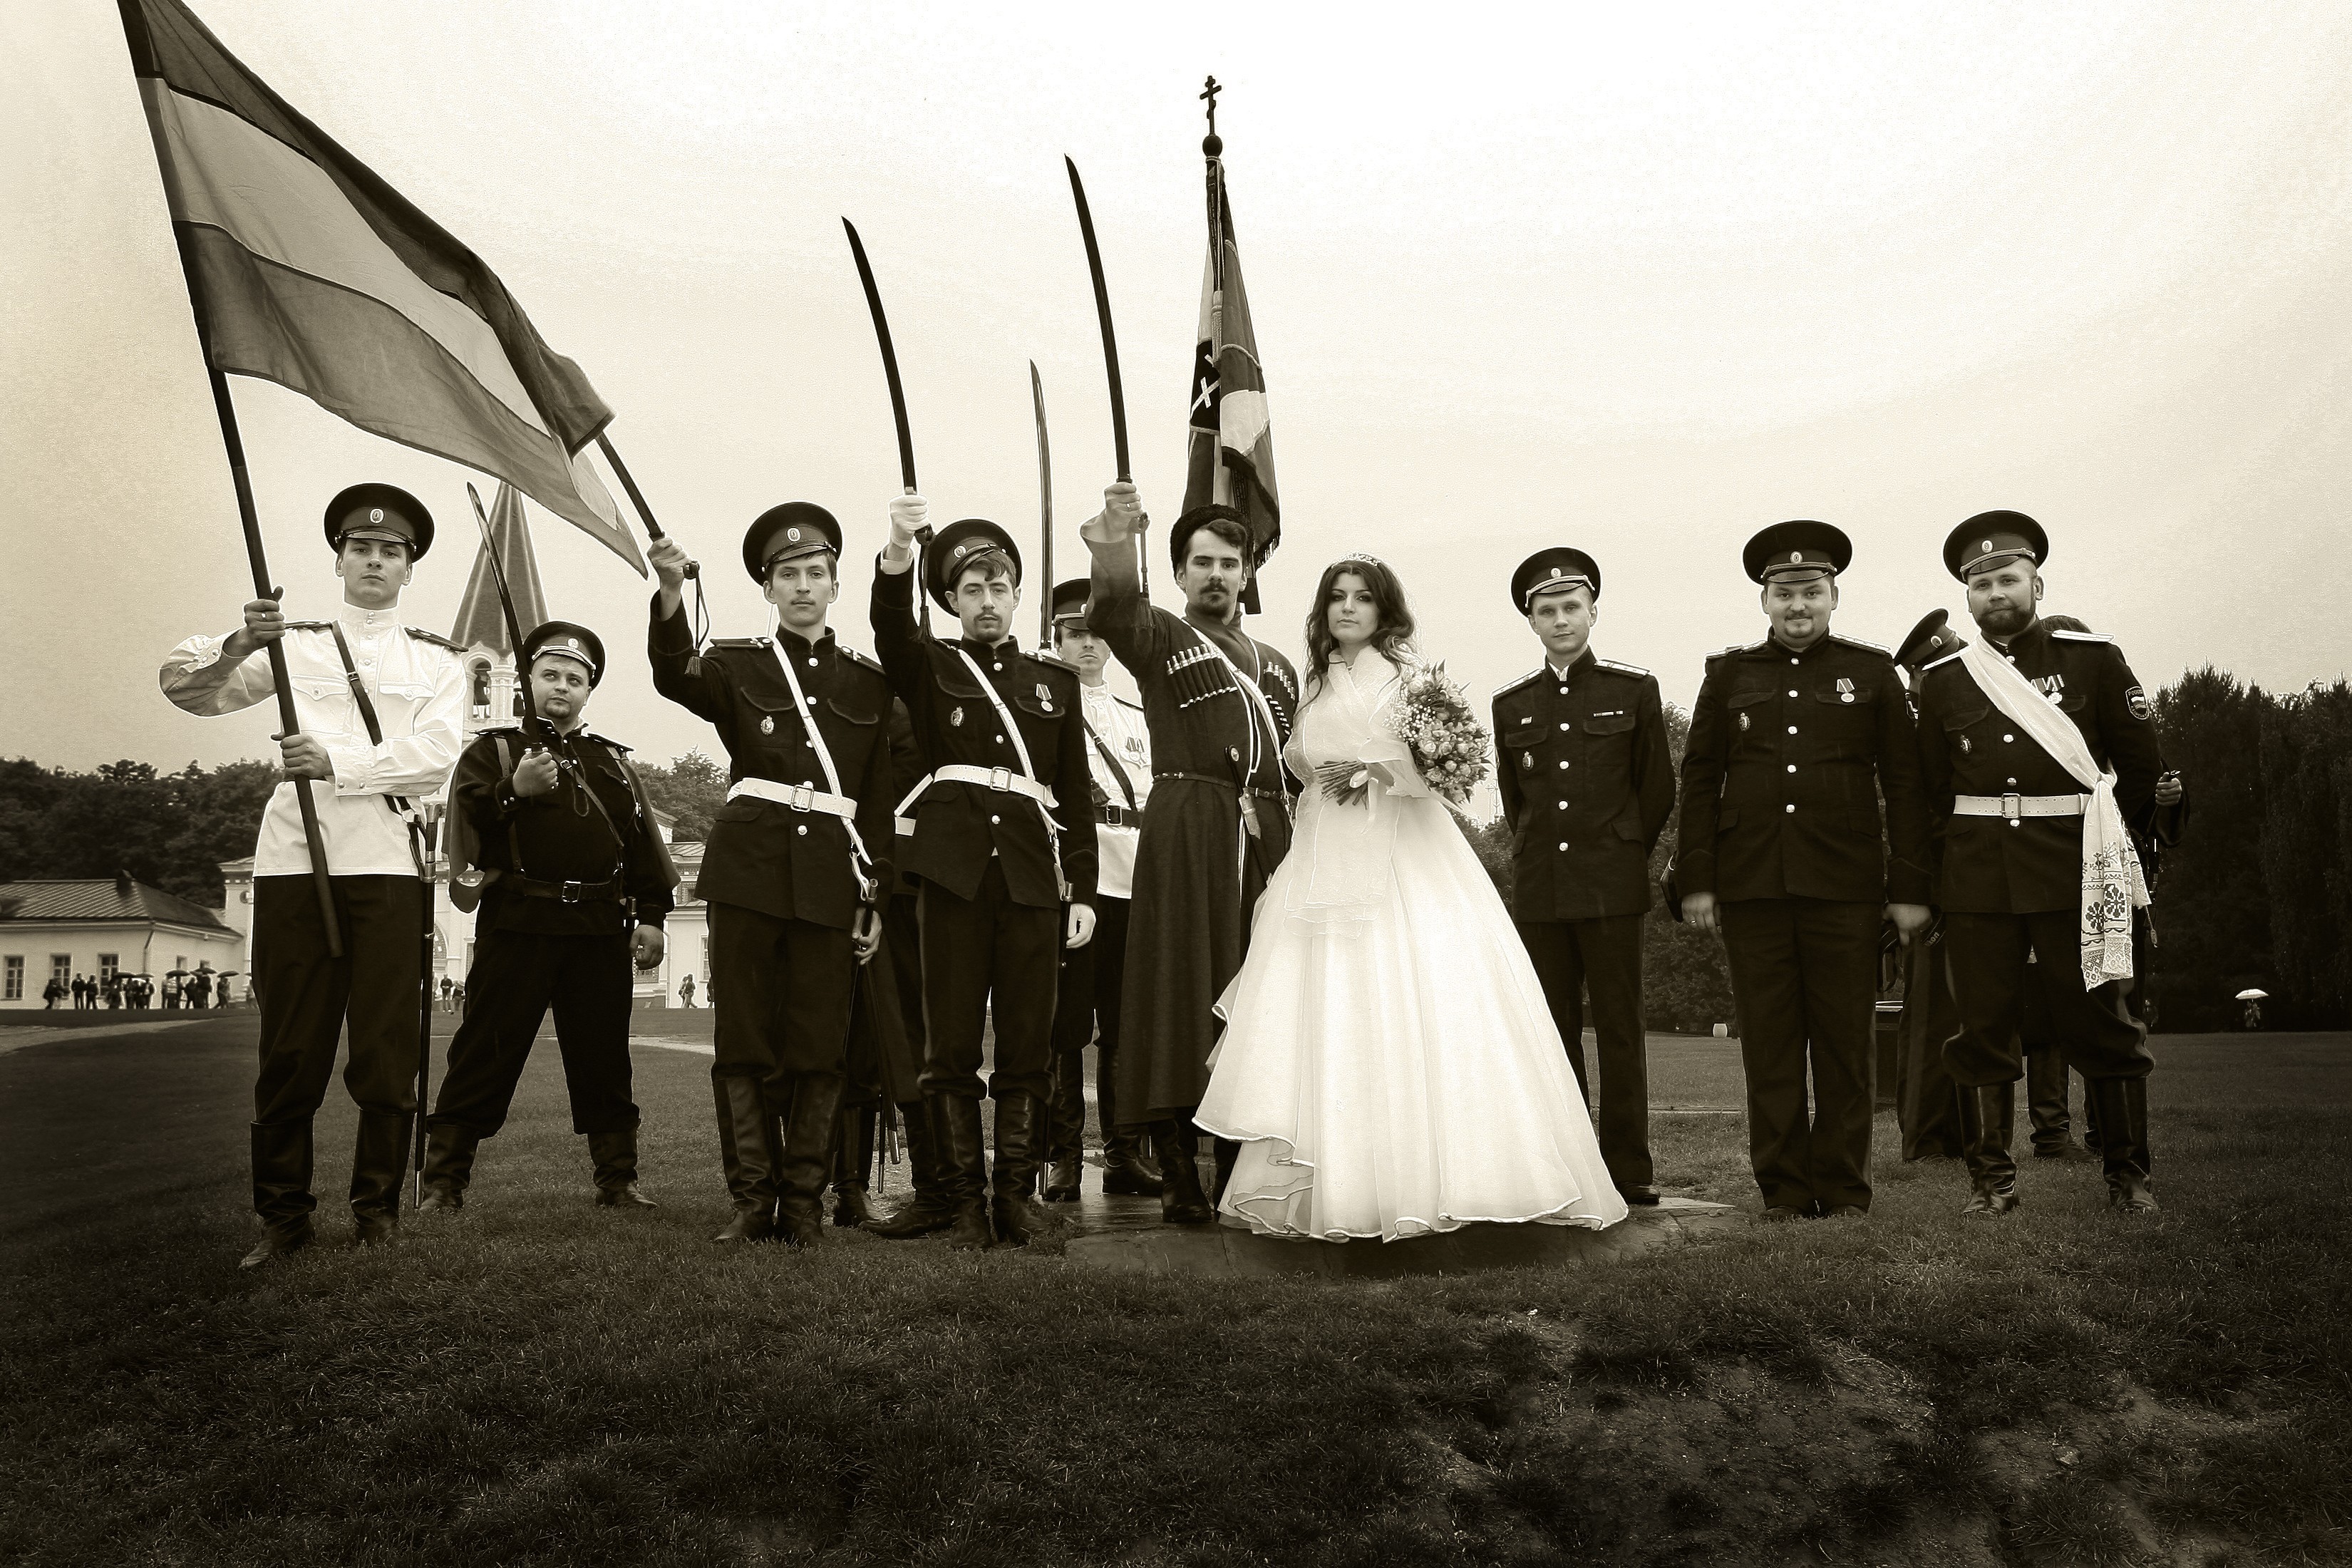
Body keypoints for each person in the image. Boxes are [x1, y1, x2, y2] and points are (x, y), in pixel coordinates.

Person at [1197, 555, 1628, 1240]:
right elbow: (1303, 767)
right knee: (1327, 1007)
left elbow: (1444, 772)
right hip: (1322, 860)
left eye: (1363, 598)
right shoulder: (1313, 685)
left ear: (1384, 610)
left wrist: (1376, 770)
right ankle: (1340, 1184)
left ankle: (1449, 1178)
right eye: (1337, 597)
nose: (1348, 608)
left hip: (1406, 856)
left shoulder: (1410, 681)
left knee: (1425, 998)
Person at [160, 483, 465, 1267]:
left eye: (390, 551)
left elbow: (438, 757)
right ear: (339, 559)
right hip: (294, 860)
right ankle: (282, 1218)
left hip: (388, 861)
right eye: (361, 548)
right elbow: (187, 689)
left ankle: (376, 1212)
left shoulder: (437, 659)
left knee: (386, 1047)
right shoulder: (291, 644)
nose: (374, 560)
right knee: (290, 1046)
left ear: (409, 568)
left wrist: (338, 759)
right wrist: (239, 640)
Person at [649, 505, 896, 1247]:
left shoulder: (869, 683)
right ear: (768, 588)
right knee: (744, 1042)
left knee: (819, 1046)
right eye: (788, 575)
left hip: (830, 878)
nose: (803, 586)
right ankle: (753, 1200)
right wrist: (670, 592)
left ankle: (804, 1204)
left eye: (816, 573)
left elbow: (877, 798)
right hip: (748, 873)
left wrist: (877, 892)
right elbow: (673, 676)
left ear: (835, 586)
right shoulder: (738, 665)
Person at [1676, 521, 1932, 1222]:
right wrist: (1697, 878)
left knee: (1847, 1046)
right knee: (1771, 1046)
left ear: (1833, 596)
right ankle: (1785, 1190)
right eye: (1785, 593)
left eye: (1811, 592)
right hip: (1753, 884)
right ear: (1765, 600)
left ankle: (1845, 1189)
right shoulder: (1729, 676)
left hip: (1845, 886)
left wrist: (1910, 887)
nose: (1798, 605)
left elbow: (1905, 784)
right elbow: (1699, 780)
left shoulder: (1872, 673)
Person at [1913, 511, 2166, 1214]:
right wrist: (1934, 883)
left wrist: (2126, 858)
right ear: (1968, 597)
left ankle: (2129, 1177)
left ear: (2037, 585)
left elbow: (2141, 771)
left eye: (2008, 579)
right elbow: (1931, 794)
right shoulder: (1945, 680)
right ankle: (1992, 1184)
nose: (1995, 593)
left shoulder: (2094, 659)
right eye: (1981, 584)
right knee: (1982, 1028)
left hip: (2075, 874)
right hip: (1979, 880)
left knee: (2102, 1023)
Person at [870, 500, 1097, 1249]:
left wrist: (1082, 889)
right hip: (953, 876)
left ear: (1017, 596)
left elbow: (1073, 794)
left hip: (1031, 878)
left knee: (1029, 1047)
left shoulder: (1054, 682)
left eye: (999, 588)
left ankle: (1014, 1200)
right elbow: (890, 629)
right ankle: (963, 1201)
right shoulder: (931, 666)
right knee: (951, 1048)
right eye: (973, 590)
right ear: (952, 601)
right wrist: (898, 549)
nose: (988, 601)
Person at [1079, 485, 1300, 1223]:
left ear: (1247, 573)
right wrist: (1118, 538)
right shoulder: (1160, 636)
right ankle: (1177, 1167)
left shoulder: (1278, 667)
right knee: (1180, 988)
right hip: (1187, 828)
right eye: (1201, 562)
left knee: (1256, 993)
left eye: (1229, 563)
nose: (1216, 574)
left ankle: (1238, 1165)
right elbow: (1114, 609)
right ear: (1177, 573)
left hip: (1267, 838)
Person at [420, 620, 678, 1213]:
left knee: (604, 1058)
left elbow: (640, 848)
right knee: (485, 1051)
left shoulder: (611, 763)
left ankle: (618, 1180)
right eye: (550, 674)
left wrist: (652, 916)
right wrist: (514, 789)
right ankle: (445, 1182)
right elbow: (467, 830)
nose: (562, 686)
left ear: (588, 691)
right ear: (528, 682)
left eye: (575, 679)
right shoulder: (493, 752)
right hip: (518, 923)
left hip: (597, 929)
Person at [1491, 548, 1676, 1206]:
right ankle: (1569, 1165)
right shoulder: (1511, 703)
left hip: (1611, 886)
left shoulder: (1632, 689)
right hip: (1542, 888)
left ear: (1593, 612)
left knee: (1621, 1030)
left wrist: (1622, 852)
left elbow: (1656, 789)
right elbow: (1516, 802)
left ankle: (1627, 1167)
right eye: (1547, 611)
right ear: (1532, 622)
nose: (1561, 620)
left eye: (1572, 607)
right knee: (1553, 1031)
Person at [1039, 579, 1164, 1202]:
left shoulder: (1137, 716)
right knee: (1068, 1025)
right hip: (1073, 883)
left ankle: (1121, 1153)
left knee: (1123, 1026)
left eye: (1095, 634)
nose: (1087, 645)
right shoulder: (1043, 710)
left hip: (1131, 879)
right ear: (1056, 640)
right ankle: (1065, 1157)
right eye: (1074, 635)